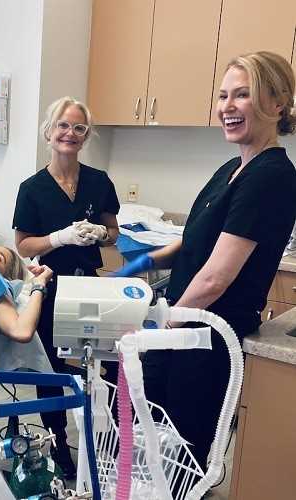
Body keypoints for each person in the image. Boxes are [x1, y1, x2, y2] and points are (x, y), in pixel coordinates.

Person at [116, 51, 296, 474]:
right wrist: (145, 261)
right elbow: (196, 237)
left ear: (277, 104)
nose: (227, 106)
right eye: (223, 95)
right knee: (148, 443)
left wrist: (163, 326)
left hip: (206, 340)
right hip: (183, 325)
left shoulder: (271, 177)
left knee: (182, 458)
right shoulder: (233, 167)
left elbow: (216, 278)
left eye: (243, 95)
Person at [12, 96, 120, 477]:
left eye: (78, 127)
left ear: (85, 136)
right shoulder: (32, 188)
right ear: (49, 131)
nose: (69, 133)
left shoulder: (99, 182)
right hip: (50, 288)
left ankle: (107, 438)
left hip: (89, 288)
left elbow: (114, 232)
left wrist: (100, 233)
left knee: (105, 362)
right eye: (62, 125)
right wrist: (60, 238)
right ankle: (58, 440)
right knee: (52, 370)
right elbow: (23, 245)